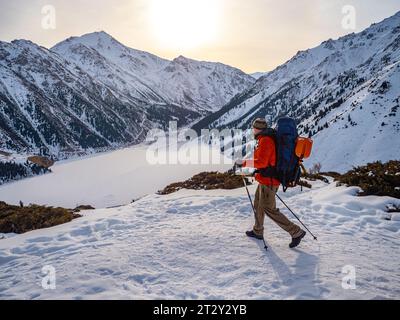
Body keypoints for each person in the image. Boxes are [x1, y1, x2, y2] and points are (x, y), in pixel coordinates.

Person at [236, 118, 306, 248]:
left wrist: (244, 163)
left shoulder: (266, 140)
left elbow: (262, 162)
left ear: (258, 129)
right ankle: (258, 231)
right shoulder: (265, 138)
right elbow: (267, 162)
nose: (253, 131)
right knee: (258, 204)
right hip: (265, 179)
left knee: (269, 209)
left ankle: (296, 232)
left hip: (270, 181)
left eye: (254, 128)